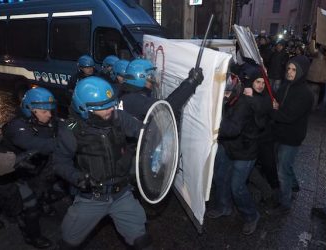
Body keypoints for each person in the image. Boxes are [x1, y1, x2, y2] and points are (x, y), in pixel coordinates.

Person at [52, 76, 152, 249]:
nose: (110, 110)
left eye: (111, 104)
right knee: (68, 243)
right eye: (103, 107)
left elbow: (144, 133)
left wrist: (153, 136)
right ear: (84, 108)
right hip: (91, 198)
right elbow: (59, 163)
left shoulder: (118, 117)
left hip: (122, 194)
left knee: (142, 241)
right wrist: (77, 177)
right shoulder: (71, 131)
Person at [0, 87, 61, 248]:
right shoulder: (16, 127)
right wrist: (66, 142)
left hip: (28, 168)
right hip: (7, 172)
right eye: (44, 111)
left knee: (40, 192)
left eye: (51, 110)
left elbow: (65, 127)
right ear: (30, 110)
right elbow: (37, 144)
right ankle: (31, 237)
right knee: (25, 207)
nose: (50, 115)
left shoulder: (47, 120)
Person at [207, 62, 272, 235]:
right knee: (220, 177)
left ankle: (252, 216)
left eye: (262, 83)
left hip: (246, 151)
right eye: (256, 82)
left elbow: (234, 127)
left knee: (237, 187)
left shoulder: (251, 101)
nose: (259, 86)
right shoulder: (237, 94)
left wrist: (212, 125)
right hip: (228, 146)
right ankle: (224, 207)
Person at [271, 55, 313, 214]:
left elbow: (287, 116)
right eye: (288, 68)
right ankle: (294, 185)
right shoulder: (285, 84)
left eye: (294, 70)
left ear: (302, 72)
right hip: (280, 132)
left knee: (282, 169)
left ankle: (285, 203)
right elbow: (278, 100)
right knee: (284, 165)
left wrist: (273, 110)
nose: (289, 72)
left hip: (292, 137)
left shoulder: (305, 93)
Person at [120, 58, 204, 121]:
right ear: (140, 78)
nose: (153, 81)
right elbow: (167, 108)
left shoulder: (127, 96)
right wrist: (191, 82)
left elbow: (166, 103)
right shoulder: (133, 100)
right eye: (150, 77)